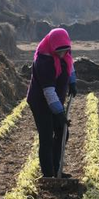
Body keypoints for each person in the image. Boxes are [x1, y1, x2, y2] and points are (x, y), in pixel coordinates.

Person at [27, 27, 78, 178]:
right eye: (59, 52)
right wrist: (59, 113)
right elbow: (48, 92)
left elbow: (70, 64)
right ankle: (48, 175)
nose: (62, 54)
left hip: (55, 98)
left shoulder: (64, 51)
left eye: (65, 51)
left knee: (63, 132)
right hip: (40, 101)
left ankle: (57, 169)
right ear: (53, 47)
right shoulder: (43, 60)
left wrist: (72, 81)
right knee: (47, 136)